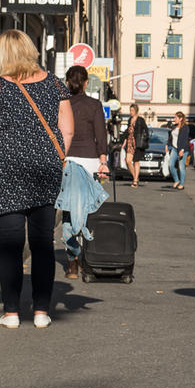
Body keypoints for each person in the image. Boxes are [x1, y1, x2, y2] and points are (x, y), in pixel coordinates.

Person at [0, 30, 74, 329]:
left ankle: (10, 312)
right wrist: (55, 159)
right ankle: (42, 310)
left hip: (6, 170)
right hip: (46, 171)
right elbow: (68, 130)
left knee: (11, 244)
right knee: (43, 242)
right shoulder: (54, 84)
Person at [62, 65, 110, 279]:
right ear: (86, 83)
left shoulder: (61, 104)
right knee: (89, 209)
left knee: (68, 210)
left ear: (67, 82)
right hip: (90, 161)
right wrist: (103, 161)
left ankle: (72, 261)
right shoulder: (94, 105)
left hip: (68, 161)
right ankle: (88, 256)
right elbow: (101, 134)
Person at [124, 104, 148, 187]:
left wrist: (145, 140)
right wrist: (124, 141)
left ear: (136, 111)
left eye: (132, 110)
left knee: (136, 161)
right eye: (130, 110)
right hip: (130, 142)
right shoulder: (129, 119)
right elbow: (127, 132)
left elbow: (146, 130)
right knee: (128, 161)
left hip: (138, 143)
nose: (130, 112)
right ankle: (135, 178)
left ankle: (135, 181)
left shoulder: (140, 120)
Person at [166, 112, 189, 190]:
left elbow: (185, 140)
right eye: (174, 118)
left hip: (183, 149)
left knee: (181, 167)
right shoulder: (174, 127)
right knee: (171, 165)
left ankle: (181, 184)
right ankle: (176, 180)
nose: (174, 119)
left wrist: (182, 150)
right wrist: (167, 144)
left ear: (180, 119)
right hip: (174, 149)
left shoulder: (185, 128)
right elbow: (171, 137)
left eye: (175, 118)